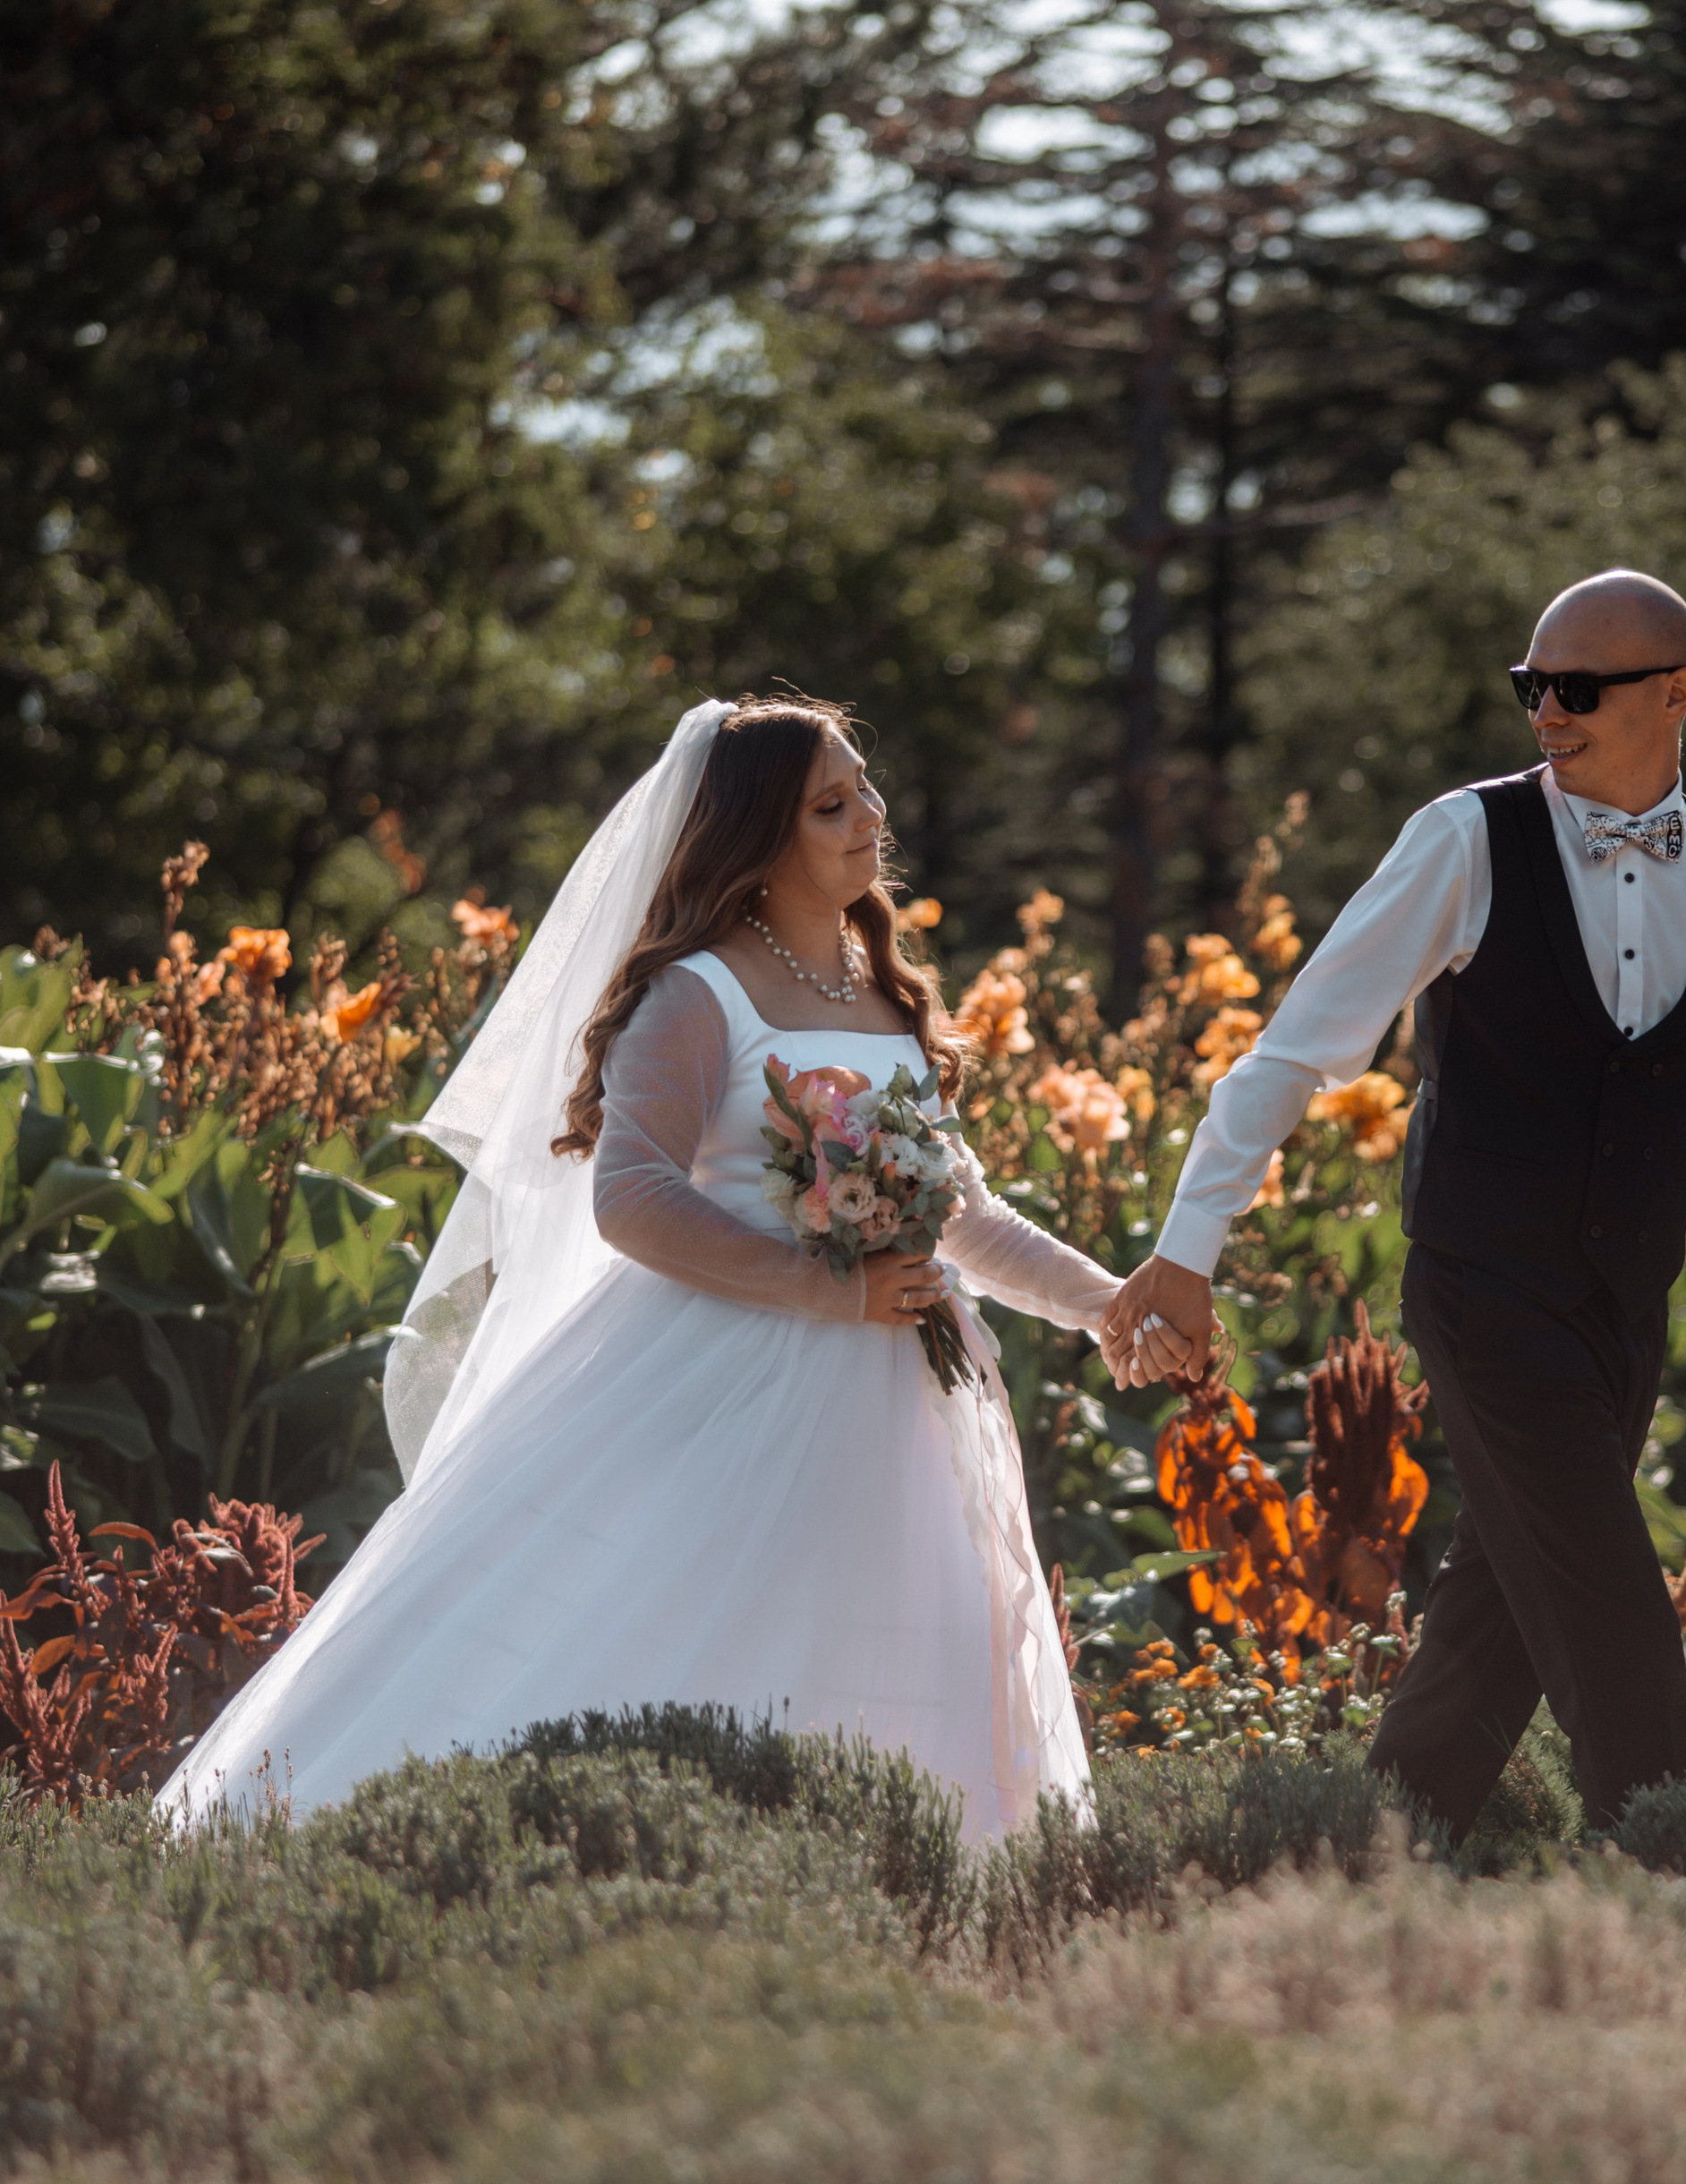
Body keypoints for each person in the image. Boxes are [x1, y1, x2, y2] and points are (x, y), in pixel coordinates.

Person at [161, 693, 1142, 1840]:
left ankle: (887, 1899)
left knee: (889, 1640)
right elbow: (631, 1197)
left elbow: (965, 1214)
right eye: (831, 804)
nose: (869, 815)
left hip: (899, 1410)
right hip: (729, 1383)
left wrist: (1109, 1307)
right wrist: (834, 1289)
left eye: (863, 788)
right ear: (755, 838)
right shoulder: (696, 991)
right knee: (681, 1636)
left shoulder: (886, 997)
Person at [1104, 570, 1686, 1838]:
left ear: (1677, 693)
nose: (1547, 710)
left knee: (1492, 1634)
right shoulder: (1464, 839)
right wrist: (1188, 1246)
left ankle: (1354, 1873)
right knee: (1615, 1610)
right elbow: (1297, 1051)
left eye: (1579, 688)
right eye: (1531, 685)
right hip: (1484, 1290)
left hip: (1625, 1311)